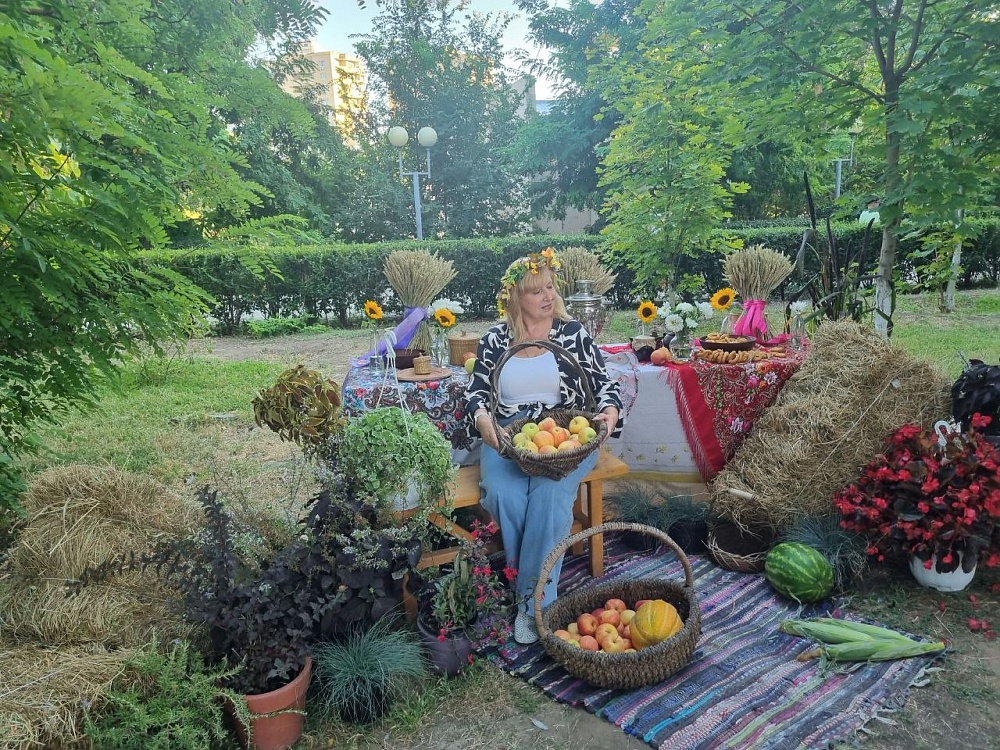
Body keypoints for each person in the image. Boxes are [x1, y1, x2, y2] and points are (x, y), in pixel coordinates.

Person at [462, 247, 623, 644]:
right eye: (536, 292)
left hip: (567, 435)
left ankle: (533, 603)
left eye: (550, 287)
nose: (547, 296)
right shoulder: (497, 339)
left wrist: (609, 411)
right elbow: (476, 392)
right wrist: (483, 421)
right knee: (504, 494)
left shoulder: (573, 334)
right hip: (510, 437)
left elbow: (604, 385)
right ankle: (531, 588)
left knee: (550, 496)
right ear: (516, 299)